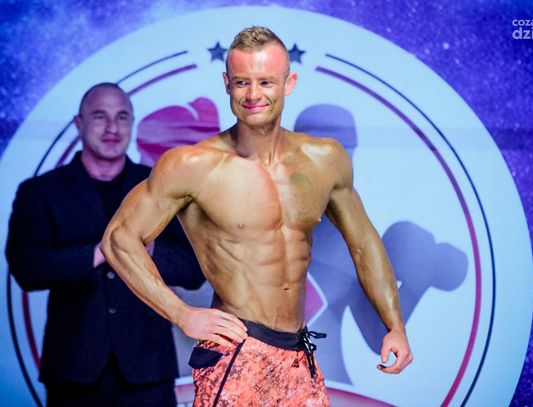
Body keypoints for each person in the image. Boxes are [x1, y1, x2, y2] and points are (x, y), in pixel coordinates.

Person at [101, 27, 413, 406]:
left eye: (265, 82)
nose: (253, 94)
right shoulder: (193, 165)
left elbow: (363, 243)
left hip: (298, 354)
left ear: (289, 83)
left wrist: (394, 325)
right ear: (226, 83)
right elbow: (118, 239)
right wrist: (181, 314)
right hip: (235, 353)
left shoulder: (325, 159)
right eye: (241, 82)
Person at [6, 83, 205, 407]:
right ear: (79, 123)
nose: (112, 127)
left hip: (148, 371)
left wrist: (149, 251)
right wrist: (102, 251)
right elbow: (29, 268)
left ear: (132, 123)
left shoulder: (161, 188)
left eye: (122, 117)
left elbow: (195, 270)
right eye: (100, 116)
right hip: (73, 371)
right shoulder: (41, 191)